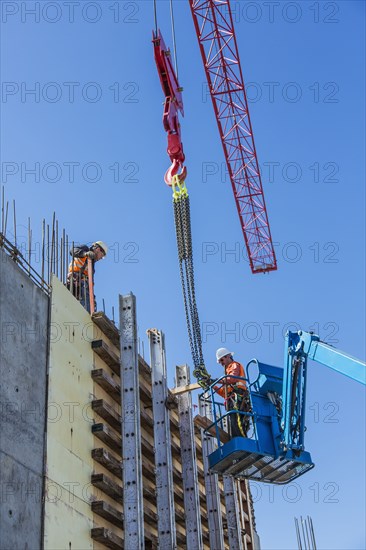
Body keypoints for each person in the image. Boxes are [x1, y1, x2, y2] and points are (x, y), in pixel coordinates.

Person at [214, 347, 251, 438]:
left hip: (238, 396)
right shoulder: (226, 375)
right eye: (220, 362)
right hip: (232, 398)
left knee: (237, 420)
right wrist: (213, 386)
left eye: (222, 360)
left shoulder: (234, 365)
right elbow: (223, 393)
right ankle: (237, 439)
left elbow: (232, 378)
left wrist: (217, 381)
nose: (221, 363)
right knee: (233, 421)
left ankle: (241, 440)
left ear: (228, 356)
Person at [67, 241, 108, 312]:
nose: (101, 258)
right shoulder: (85, 249)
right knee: (84, 300)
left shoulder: (92, 265)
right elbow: (72, 251)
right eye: (102, 255)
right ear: (98, 249)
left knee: (89, 301)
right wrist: (84, 254)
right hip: (76, 280)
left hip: (84, 285)